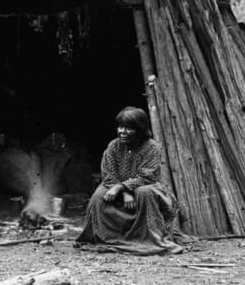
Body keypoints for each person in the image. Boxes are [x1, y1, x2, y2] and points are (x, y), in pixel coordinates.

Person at [76, 107, 184, 255]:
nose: (122, 131)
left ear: (140, 130)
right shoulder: (114, 146)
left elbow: (148, 176)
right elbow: (108, 174)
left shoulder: (151, 147)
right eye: (120, 127)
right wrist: (123, 191)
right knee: (98, 197)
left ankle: (148, 238)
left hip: (145, 186)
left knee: (144, 192)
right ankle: (108, 238)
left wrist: (123, 188)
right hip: (115, 185)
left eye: (128, 128)